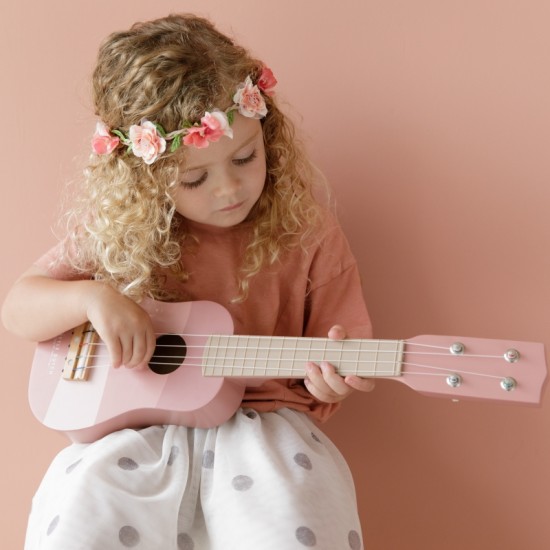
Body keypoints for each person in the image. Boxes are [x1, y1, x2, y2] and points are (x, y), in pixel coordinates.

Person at [2, 13, 375, 550]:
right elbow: (18, 307)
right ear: (144, 179)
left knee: (291, 526)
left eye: (246, 157)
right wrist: (93, 297)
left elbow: (345, 349)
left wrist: (332, 379)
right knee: (81, 521)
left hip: (264, 432)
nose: (228, 189)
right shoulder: (119, 233)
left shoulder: (306, 230)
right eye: (194, 178)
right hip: (132, 436)